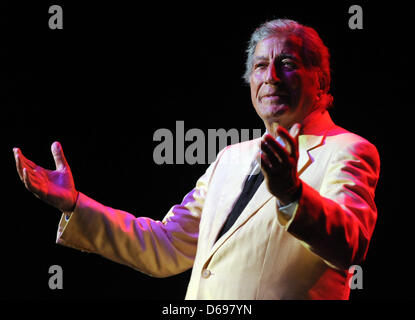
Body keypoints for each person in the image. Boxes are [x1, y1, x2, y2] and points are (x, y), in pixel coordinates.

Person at [13, 19, 380, 299]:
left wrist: (291, 194)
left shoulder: (347, 149)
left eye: (286, 63)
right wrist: (76, 204)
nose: (270, 77)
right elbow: (167, 245)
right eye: (260, 66)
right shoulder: (230, 158)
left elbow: (349, 245)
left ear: (322, 81)